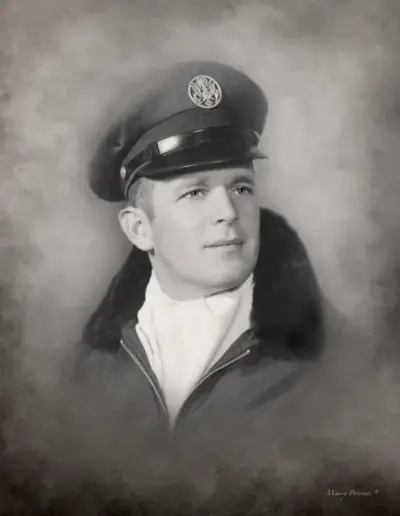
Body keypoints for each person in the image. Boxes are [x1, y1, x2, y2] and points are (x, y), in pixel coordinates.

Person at [73, 61, 324, 487]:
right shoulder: (91, 368)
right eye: (195, 192)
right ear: (139, 228)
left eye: (241, 187)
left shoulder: (335, 361)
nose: (228, 212)